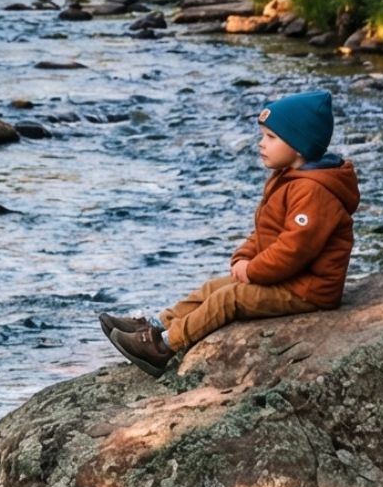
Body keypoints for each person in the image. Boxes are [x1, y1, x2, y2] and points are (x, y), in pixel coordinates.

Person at [100, 88, 361, 378]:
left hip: (308, 290)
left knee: (229, 298)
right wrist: (244, 257)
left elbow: (294, 250)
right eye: (263, 136)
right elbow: (266, 232)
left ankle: (163, 346)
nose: (261, 143)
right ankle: (156, 324)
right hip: (287, 278)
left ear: (299, 146)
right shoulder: (288, 178)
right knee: (213, 287)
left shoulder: (313, 191)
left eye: (271, 137)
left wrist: (253, 270)